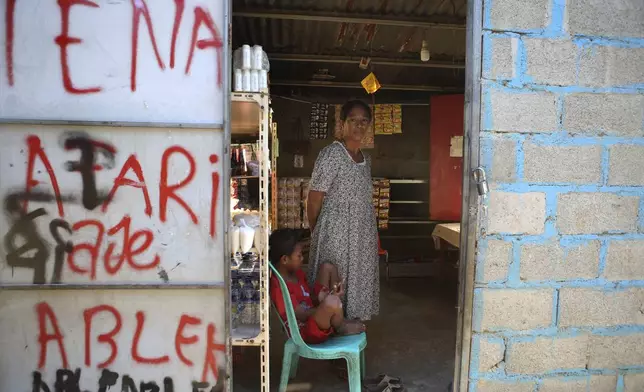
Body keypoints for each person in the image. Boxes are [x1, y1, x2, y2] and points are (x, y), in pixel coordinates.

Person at [307, 100, 379, 322]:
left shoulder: (365, 160)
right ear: (342, 124)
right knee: (335, 280)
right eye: (353, 121)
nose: (359, 126)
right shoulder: (331, 154)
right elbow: (314, 197)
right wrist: (316, 230)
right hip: (336, 232)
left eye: (364, 121)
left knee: (357, 278)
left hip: (361, 233)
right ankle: (330, 328)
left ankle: (351, 325)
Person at [269, 229, 365, 344]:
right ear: (284, 259)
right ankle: (340, 328)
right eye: (299, 256)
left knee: (328, 268)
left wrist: (326, 296)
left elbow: (309, 296)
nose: (302, 259)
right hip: (304, 330)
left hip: (312, 315)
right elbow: (301, 314)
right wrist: (325, 306)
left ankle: (337, 320)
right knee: (332, 303)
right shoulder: (278, 287)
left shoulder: (297, 273)